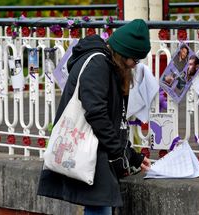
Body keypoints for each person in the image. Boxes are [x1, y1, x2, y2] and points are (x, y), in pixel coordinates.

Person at [37, 19, 151, 215]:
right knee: (99, 207)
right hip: (91, 149)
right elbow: (97, 113)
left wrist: (132, 156)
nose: (134, 65)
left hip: (95, 149)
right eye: (135, 59)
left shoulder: (106, 63)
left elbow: (113, 120)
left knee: (99, 206)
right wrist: (118, 152)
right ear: (124, 53)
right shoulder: (98, 64)